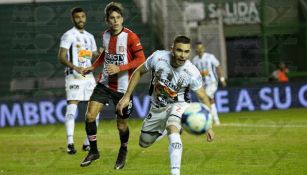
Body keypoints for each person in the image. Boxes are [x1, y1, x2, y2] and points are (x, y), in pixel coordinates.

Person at [116, 36, 215, 175]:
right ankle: (163, 129)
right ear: (172, 49)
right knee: (144, 143)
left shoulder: (192, 72)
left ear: (190, 52)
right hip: (157, 108)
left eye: (186, 52)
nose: (182, 55)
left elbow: (203, 97)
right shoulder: (158, 57)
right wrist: (126, 96)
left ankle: (175, 172)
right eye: (179, 50)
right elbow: (139, 71)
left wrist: (208, 124)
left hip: (179, 105)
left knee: (172, 128)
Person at [79, 2, 146, 169]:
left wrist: (120, 67)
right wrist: (92, 67)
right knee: (89, 116)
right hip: (104, 84)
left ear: (122, 19)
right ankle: (94, 151)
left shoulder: (131, 37)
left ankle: (123, 150)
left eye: (118, 17)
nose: (115, 21)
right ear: (107, 21)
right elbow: (104, 55)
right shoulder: (105, 35)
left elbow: (141, 60)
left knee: (121, 124)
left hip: (124, 89)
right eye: (112, 18)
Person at [58, 7, 100, 154]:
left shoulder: (90, 36)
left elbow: (92, 54)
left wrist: (99, 53)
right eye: (77, 17)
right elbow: (61, 57)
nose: (80, 19)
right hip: (74, 76)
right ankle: (70, 142)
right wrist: (75, 67)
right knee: (72, 107)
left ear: (85, 18)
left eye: (83, 16)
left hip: (88, 77)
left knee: (96, 108)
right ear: (73, 19)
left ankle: (88, 142)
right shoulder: (68, 35)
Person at [191, 42, 226, 125]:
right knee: (208, 101)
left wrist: (222, 78)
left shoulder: (210, 57)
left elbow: (218, 66)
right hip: (202, 85)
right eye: (197, 48)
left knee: (208, 97)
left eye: (201, 48)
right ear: (196, 49)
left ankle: (215, 120)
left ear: (203, 48)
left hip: (212, 82)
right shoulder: (194, 60)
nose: (199, 50)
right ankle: (212, 120)